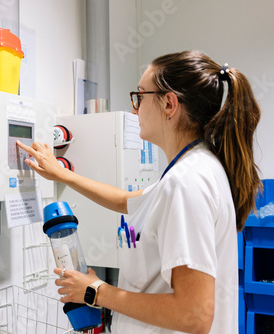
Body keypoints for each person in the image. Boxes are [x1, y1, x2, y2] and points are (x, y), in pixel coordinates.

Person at [17, 50, 262, 333]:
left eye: (140, 97)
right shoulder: (191, 169)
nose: (134, 109)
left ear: (169, 104)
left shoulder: (187, 182)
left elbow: (193, 315)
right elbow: (125, 200)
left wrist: (95, 291)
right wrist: (61, 173)